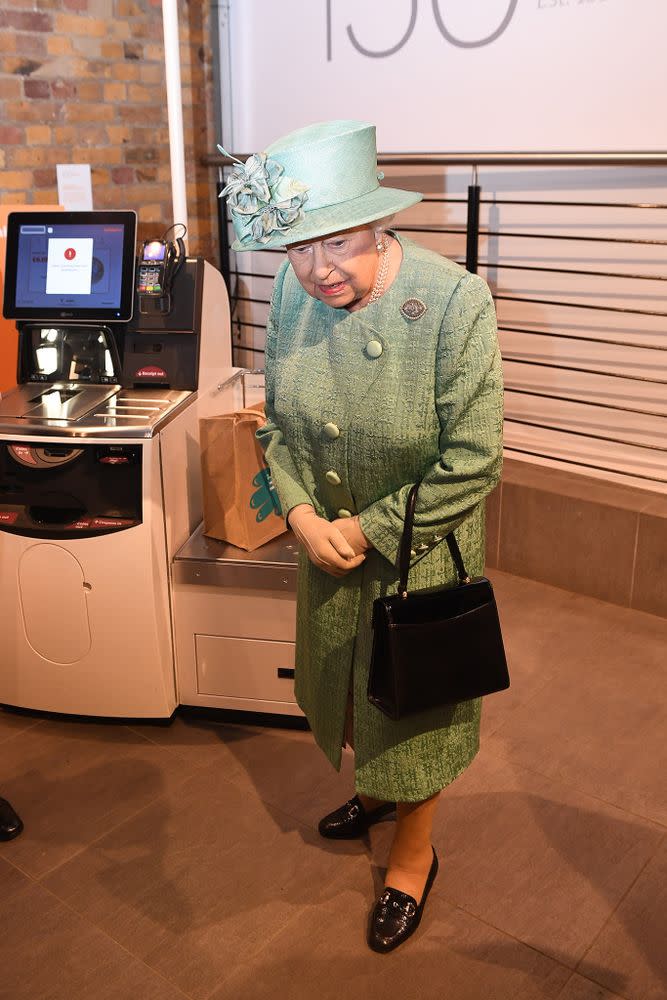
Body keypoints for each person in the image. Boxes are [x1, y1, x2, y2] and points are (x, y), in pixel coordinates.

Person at [220, 120, 503, 952]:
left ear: (379, 222)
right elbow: (276, 427)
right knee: (349, 687)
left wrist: (369, 529)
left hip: (419, 557)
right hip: (325, 549)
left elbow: (474, 459)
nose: (317, 270)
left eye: (337, 241)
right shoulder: (290, 298)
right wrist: (301, 514)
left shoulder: (455, 303)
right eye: (298, 249)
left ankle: (413, 856)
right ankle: (374, 792)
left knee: (415, 708)